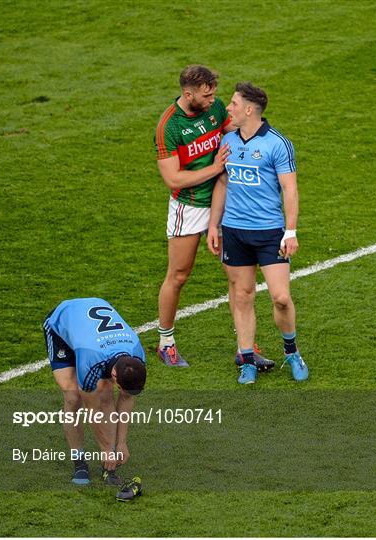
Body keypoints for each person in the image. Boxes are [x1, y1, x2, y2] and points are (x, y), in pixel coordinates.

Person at [154, 65, 274, 372]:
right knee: (178, 275)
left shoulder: (215, 107)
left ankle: (246, 349)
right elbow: (174, 179)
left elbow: (235, 131)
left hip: (227, 203)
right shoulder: (169, 126)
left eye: (214, 94)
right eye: (206, 96)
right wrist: (215, 168)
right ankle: (166, 342)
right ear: (188, 93)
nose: (213, 101)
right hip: (190, 207)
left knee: (239, 279)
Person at [207, 82, 309, 384]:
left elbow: (290, 189)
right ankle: (247, 359)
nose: (228, 108)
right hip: (235, 231)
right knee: (242, 296)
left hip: (269, 233)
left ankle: (291, 351)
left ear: (249, 110)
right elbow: (223, 183)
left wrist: (290, 231)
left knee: (280, 297)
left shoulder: (277, 144)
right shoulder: (227, 140)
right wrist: (214, 224)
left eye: (234, 104)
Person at [43, 297, 146, 485]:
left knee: (106, 394)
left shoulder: (137, 354)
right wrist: (106, 450)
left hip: (92, 333)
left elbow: (126, 398)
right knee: (73, 397)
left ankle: (109, 468)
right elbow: (94, 411)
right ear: (114, 375)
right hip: (63, 323)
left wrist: (121, 443)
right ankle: (79, 460)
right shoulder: (91, 362)